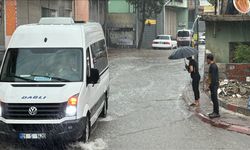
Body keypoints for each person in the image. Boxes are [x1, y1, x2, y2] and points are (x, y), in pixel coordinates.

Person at [206, 54, 220, 118]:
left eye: (207, 59)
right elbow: (211, 76)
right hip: (213, 84)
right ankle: (214, 112)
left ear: (209, 59)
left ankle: (216, 113)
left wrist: (209, 85)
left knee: (214, 99)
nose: (206, 61)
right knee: (213, 98)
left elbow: (213, 78)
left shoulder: (213, 66)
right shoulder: (212, 65)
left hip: (214, 85)